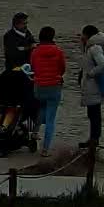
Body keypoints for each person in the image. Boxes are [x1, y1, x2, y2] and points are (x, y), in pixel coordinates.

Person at [29, 26, 68, 156]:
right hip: (54, 86)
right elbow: (62, 68)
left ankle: (35, 132)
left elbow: (33, 67)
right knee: (51, 118)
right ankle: (45, 149)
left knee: (42, 107)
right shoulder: (58, 51)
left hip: (39, 86)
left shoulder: (35, 51)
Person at [78, 25, 104, 148]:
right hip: (91, 87)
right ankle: (93, 139)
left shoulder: (94, 48)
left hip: (93, 87)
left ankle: (94, 139)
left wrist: (90, 74)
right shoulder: (90, 48)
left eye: (82, 34)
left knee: (94, 114)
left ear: (87, 35)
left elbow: (103, 65)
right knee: (93, 114)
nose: (81, 37)